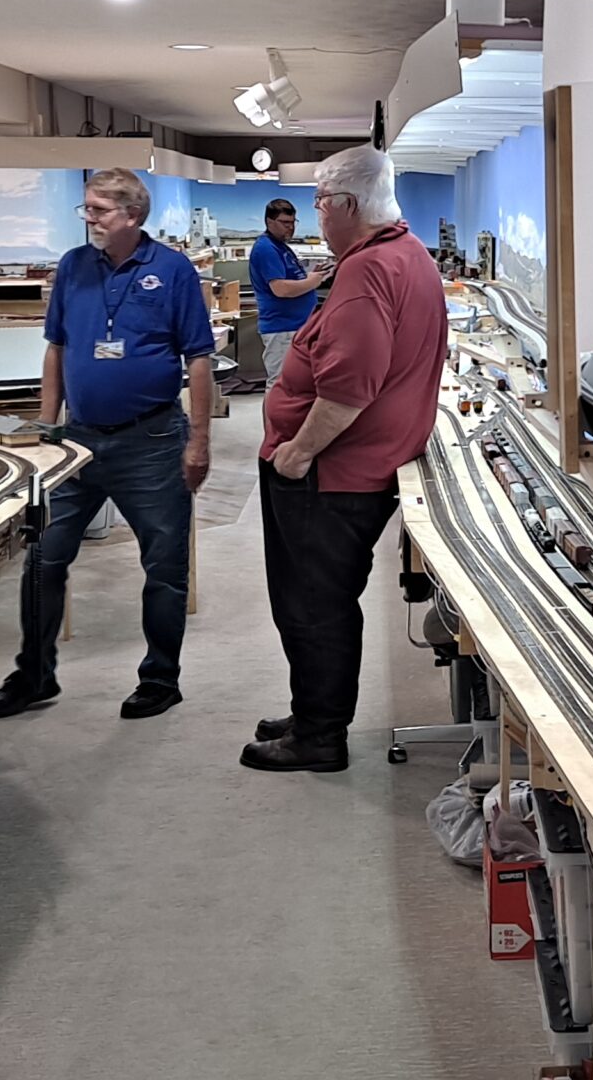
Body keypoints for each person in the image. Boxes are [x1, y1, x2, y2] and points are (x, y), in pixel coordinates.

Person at [244, 145, 449, 772]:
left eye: (321, 204)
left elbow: (348, 388)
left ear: (349, 205)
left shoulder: (366, 273)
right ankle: (314, 708)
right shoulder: (406, 255)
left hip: (333, 474)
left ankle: (319, 735)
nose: (317, 217)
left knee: (312, 604)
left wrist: (298, 454)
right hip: (361, 468)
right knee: (323, 598)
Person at [0, 168, 216, 721]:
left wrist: (200, 440)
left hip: (153, 441)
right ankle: (34, 675)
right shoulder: (73, 267)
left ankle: (161, 678)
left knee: (164, 566)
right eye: (85, 209)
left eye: (99, 210)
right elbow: (57, 348)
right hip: (78, 442)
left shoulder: (173, 270)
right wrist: (46, 428)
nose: (88, 219)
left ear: (132, 216)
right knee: (44, 557)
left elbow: (200, 358)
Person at [248, 197, 328, 385]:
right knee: (280, 385)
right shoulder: (266, 248)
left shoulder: (281, 247)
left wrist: (311, 276)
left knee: (295, 385)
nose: (290, 228)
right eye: (285, 223)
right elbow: (281, 289)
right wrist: (312, 282)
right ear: (269, 221)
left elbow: (292, 280)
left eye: (293, 223)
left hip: (295, 326)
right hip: (282, 329)